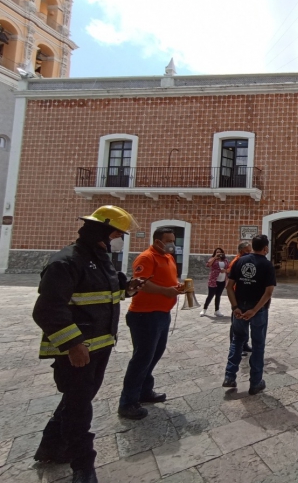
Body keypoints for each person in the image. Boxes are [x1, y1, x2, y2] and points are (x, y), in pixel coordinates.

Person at [32, 206, 144, 483]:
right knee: (80, 407)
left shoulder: (102, 260)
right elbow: (47, 310)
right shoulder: (65, 262)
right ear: (103, 231)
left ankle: (51, 447)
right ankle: (83, 466)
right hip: (77, 351)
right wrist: (73, 344)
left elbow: (105, 294)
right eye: (118, 233)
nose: (119, 238)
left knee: (76, 400)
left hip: (101, 345)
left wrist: (128, 289)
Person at [118, 227, 185, 420]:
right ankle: (128, 402)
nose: (173, 243)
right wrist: (165, 292)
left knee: (154, 355)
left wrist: (175, 286)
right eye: (169, 240)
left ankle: (145, 391)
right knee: (141, 359)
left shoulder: (168, 257)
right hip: (144, 316)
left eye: (173, 240)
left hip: (162, 314)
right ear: (158, 241)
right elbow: (140, 282)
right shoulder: (146, 258)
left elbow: (166, 279)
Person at [223, 234, 276, 394]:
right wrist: (255, 310)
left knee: (237, 340)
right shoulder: (267, 265)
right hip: (258, 311)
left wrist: (235, 307)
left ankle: (229, 376)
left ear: (252, 246)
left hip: (240, 308)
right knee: (258, 345)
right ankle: (255, 382)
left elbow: (229, 286)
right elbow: (268, 292)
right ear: (266, 248)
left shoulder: (240, 261)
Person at [227, 241, 253, 354]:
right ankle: (235, 345)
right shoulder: (236, 262)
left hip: (245, 294)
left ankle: (244, 344)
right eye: (248, 251)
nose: (250, 253)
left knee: (245, 321)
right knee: (236, 322)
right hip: (237, 295)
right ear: (242, 251)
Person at [201, 247, 229, 317]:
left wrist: (225, 270)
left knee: (218, 296)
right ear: (215, 253)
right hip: (213, 280)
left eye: (220, 252)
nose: (218, 253)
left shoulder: (225, 260)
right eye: (217, 252)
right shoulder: (212, 259)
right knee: (210, 295)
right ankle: (204, 309)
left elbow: (228, 268)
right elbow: (208, 265)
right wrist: (214, 258)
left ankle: (217, 310)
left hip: (222, 280)